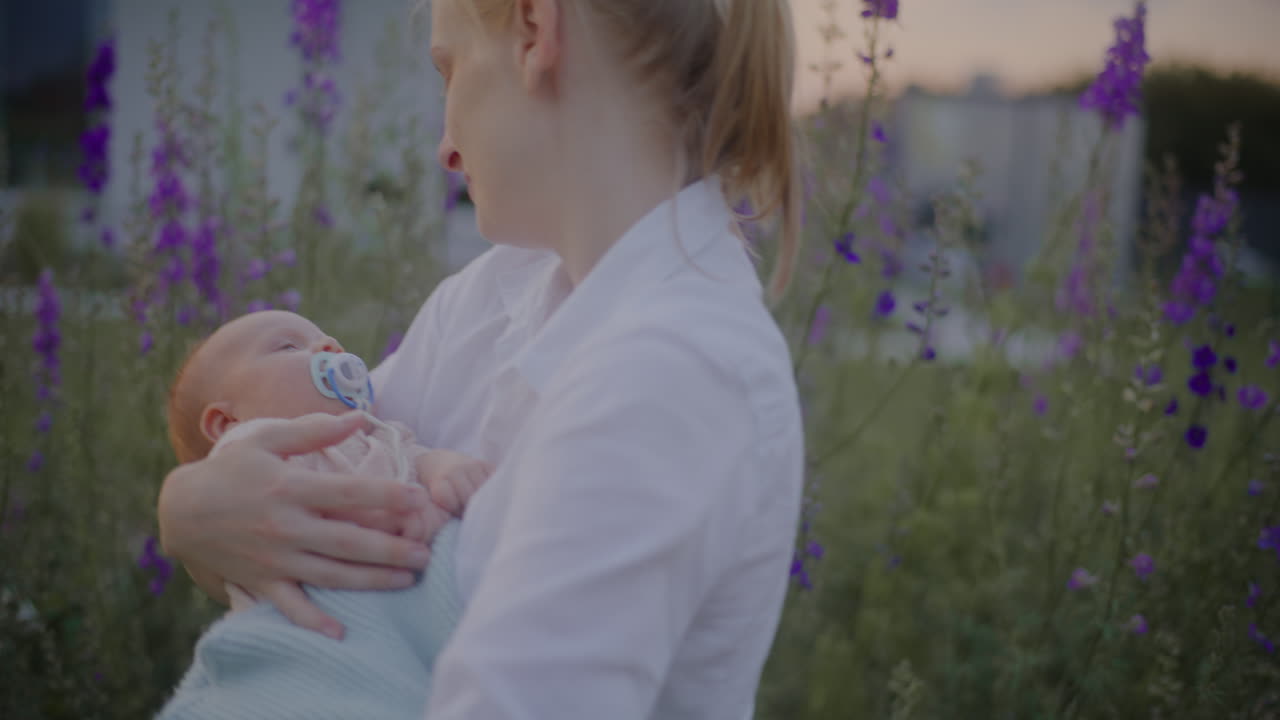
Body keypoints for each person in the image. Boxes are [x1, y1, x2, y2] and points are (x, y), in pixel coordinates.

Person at [157, 0, 805, 717]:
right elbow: (316, 476)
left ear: (535, 30)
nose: (446, 147)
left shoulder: (679, 370)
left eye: (449, 67)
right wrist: (190, 512)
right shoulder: (500, 290)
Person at [158, 309, 489, 718]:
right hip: (306, 634)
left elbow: (419, 458)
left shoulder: (378, 433)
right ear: (226, 423)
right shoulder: (250, 454)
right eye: (289, 346)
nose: (329, 348)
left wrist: (446, 469)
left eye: (330, 341)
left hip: (399, 628)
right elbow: (221, 501)